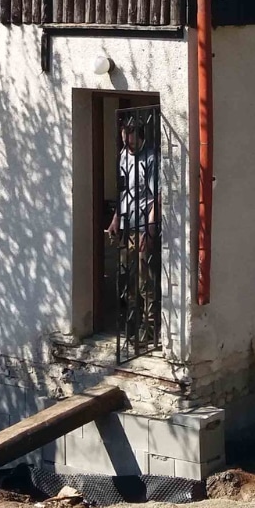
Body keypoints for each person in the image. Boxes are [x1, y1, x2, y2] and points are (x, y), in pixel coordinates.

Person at [106, 117, 160, 348]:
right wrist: (115, 219)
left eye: (131, 140)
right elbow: (123, 192)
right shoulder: (123, 157)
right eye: (124, 140)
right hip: (126, 226)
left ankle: (150, 330)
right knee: (127, 280)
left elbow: (157, 196)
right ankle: (130, 325)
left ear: (141, 137)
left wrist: (150, 228)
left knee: (145, 281)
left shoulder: (151, 158)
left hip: (143, 226)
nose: (128, 145)